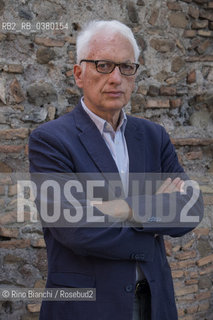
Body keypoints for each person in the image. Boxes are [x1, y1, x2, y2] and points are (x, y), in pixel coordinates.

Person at [29, 20, 203, 320]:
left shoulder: (153, 136)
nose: (116, 78)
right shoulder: (51, 140)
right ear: (78, 74)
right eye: (103, 65)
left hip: (154, 302)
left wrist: (121, 209)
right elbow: (77, 230)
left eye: (126, 67)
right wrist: (154, 213)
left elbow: (190, 209)